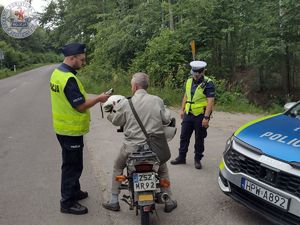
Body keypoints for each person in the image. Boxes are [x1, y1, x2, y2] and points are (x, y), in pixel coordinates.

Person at [102, 72, 177, 213]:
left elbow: (116, 121)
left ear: (135, 86)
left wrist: (110, 111)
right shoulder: (157, 100)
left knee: (118, 166)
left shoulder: (125, 103)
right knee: (162, 169)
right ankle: (169, 200)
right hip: (154, 148)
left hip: (131, 148)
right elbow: (166, 120)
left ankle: (113, 200)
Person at [50, 43, 110, 215]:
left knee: (75, 163)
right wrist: (99, 98)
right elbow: (80, 106)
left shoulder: (57, 73)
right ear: (72, 58)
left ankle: (75, 191)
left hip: (63, 127)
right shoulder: (68, 79)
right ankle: (67, 202)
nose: (83, 63)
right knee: (71, 167)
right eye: (81, 60)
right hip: (70, 129)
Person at [171, 61, 215, 169]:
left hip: (200, 115)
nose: (196, 75)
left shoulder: (208, 83)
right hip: (188, 113)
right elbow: (186, 96)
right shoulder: (189, 81)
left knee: (199, 138)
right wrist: (181, 109)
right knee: (183, 136)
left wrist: (206, 117)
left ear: (203, 71)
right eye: (194, 73)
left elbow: (210, 101)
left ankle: (197, 159)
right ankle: (181, 157)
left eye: (198, 73)